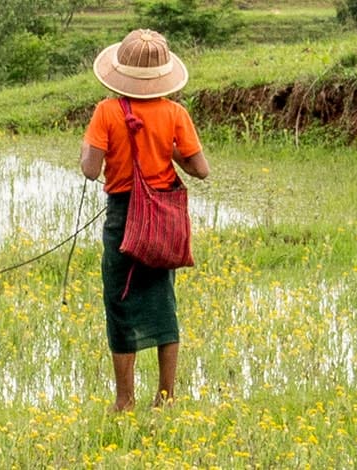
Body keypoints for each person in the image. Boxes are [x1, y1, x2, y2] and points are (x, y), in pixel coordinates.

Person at [79, 29, 210, 413]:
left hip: (123, 215)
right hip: (163, 217)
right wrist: (170, 153)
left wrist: (88, 150)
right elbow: (201, 169)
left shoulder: (107, 111)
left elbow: (90, 170)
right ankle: (166, 397)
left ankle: (124, 400)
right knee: (163, 301)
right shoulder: (175, 113)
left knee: (120, 302)